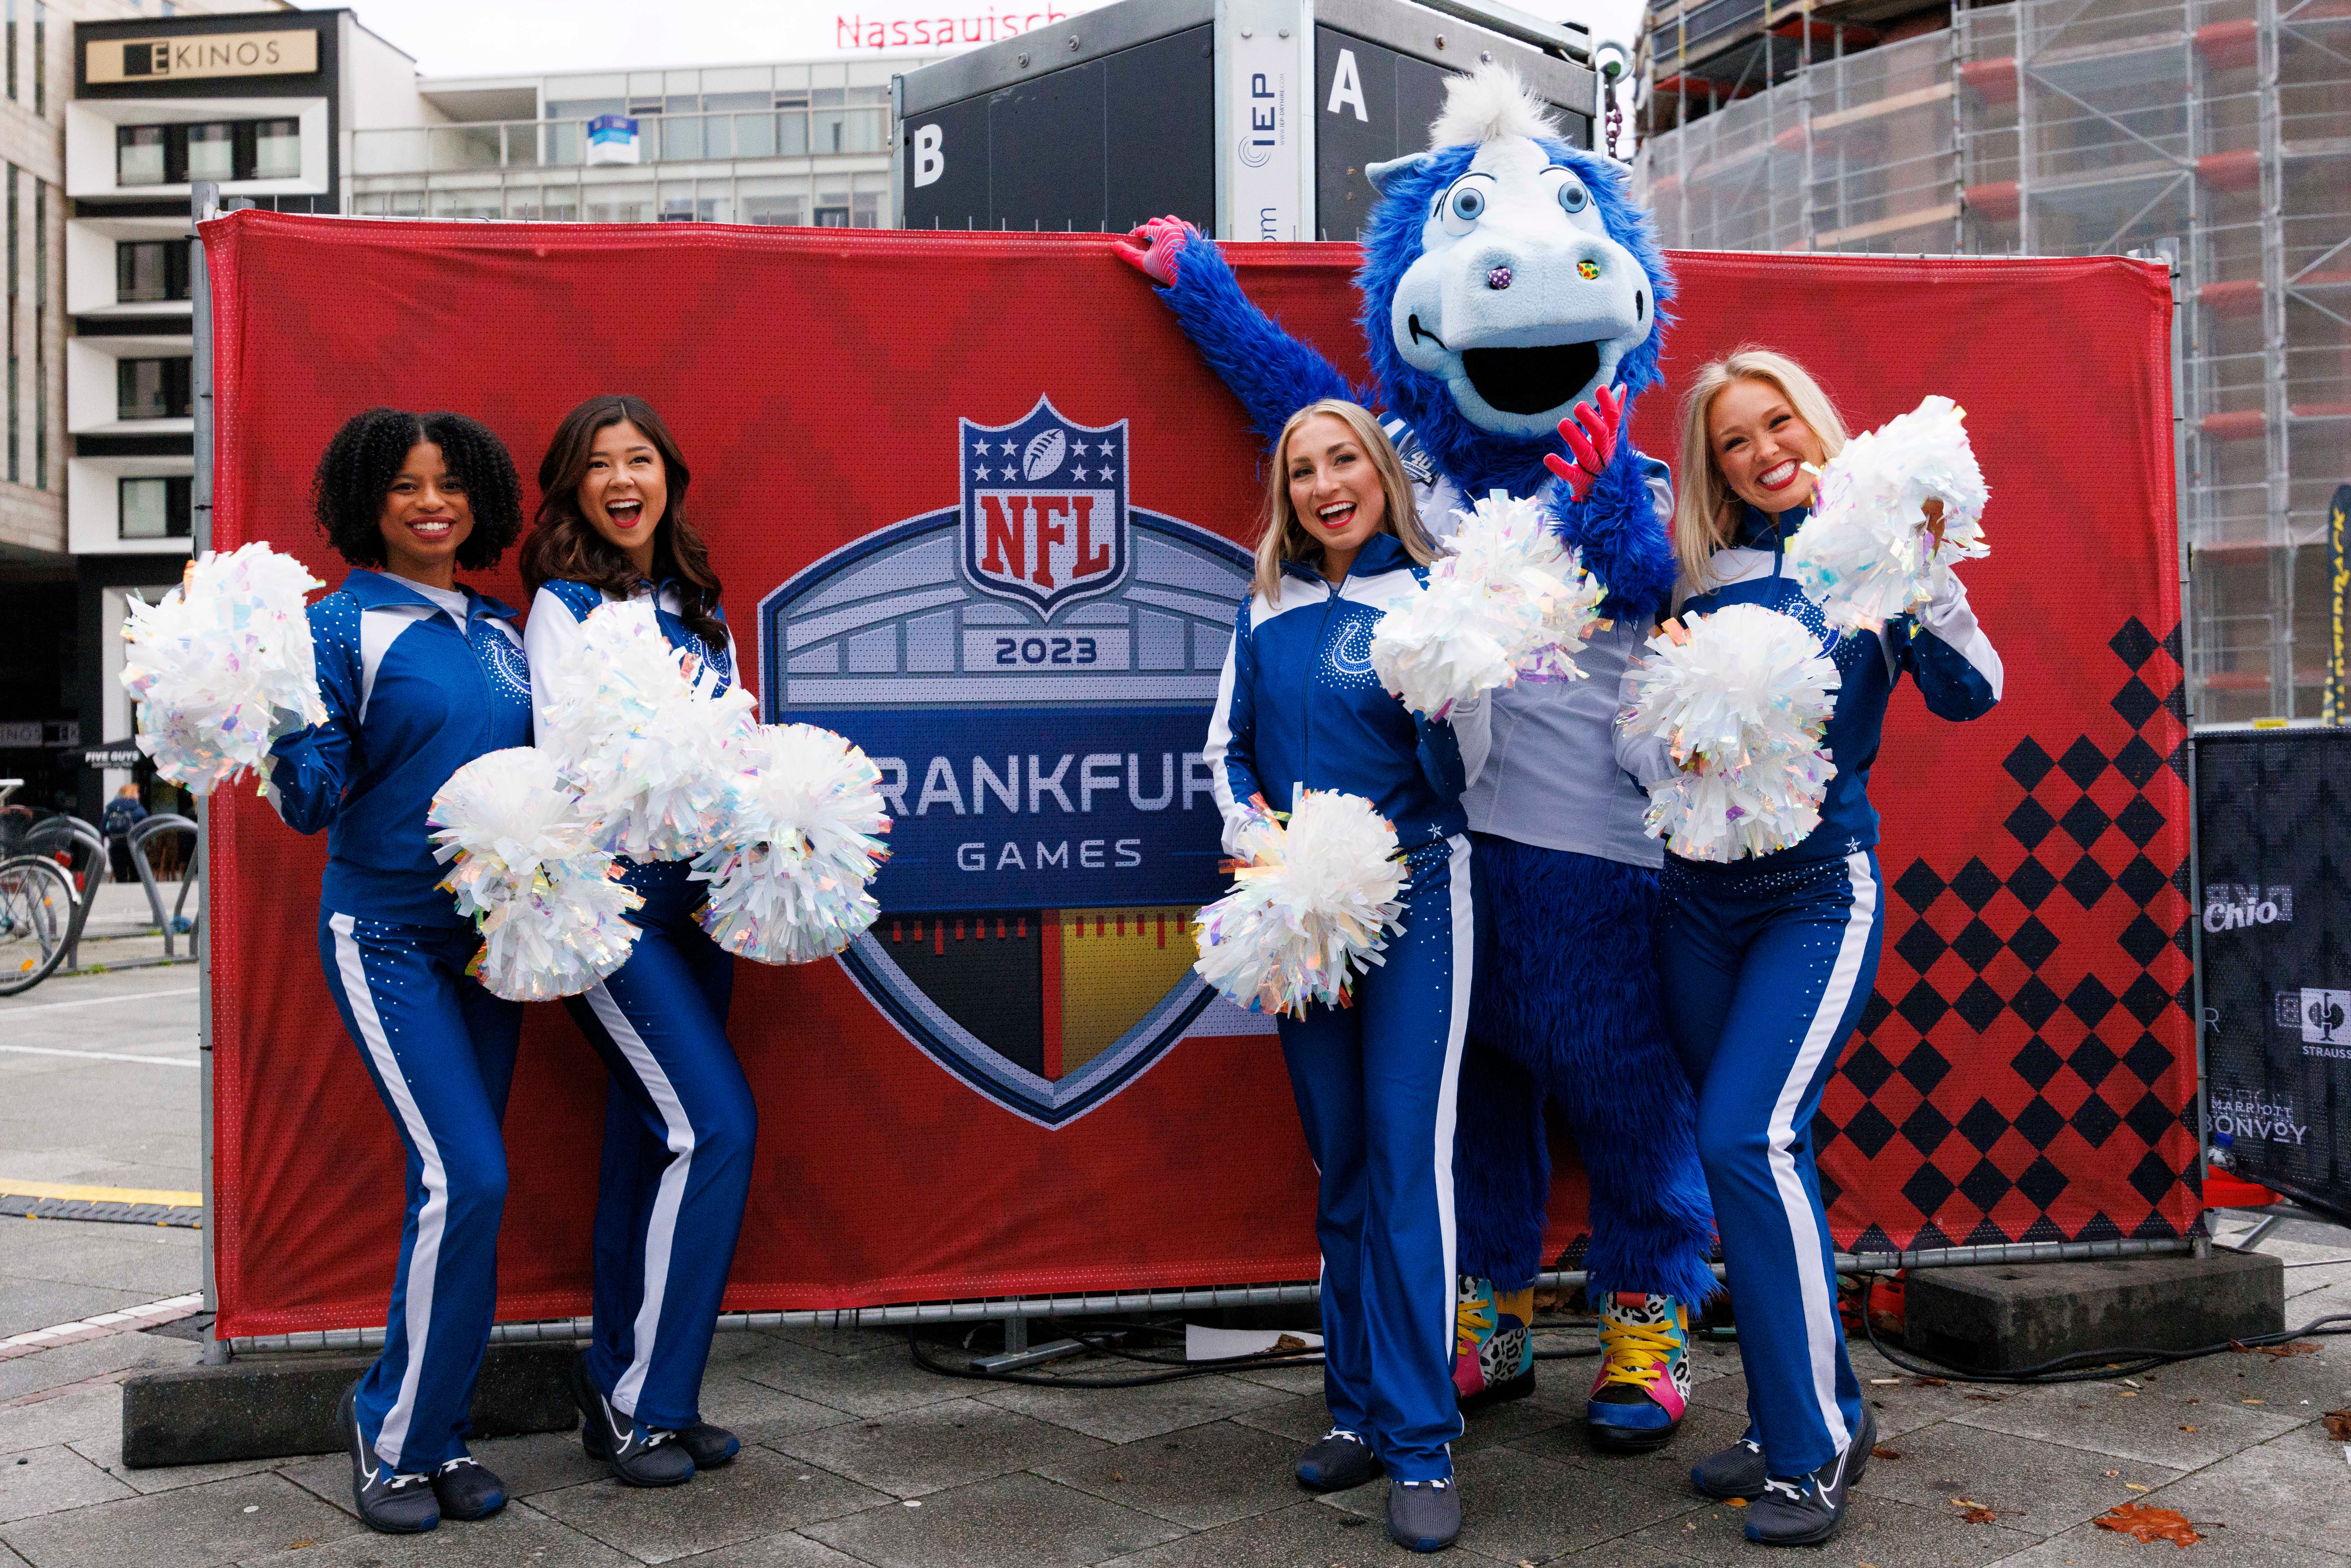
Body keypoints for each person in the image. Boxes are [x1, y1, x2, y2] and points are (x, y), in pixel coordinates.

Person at [1619, 349, 2002, 1547]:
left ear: (1812, 425)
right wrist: (1667, 756)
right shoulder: (1691, 576)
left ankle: (1807, 1457)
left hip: (1811, 899)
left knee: (1746, 1139)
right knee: (1750, 1161)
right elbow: (1636, 739)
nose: (1760, 452)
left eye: (1773, 423)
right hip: (1691, 904)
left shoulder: (1872, 561)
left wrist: (1927, 571)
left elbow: (1974, 690)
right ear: (1711, 465)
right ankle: (1816, 1406)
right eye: (1731, 441)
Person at [1203, 399, 1489, 1554]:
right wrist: (1246, 829)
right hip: (1298, 908)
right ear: (1285, 493)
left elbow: (1469, 769)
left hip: (1418, 895)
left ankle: (1422, 1444)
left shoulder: (1433, 602)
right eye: (1303, 469)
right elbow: (1222, 747)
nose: (1325, 485)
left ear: (1381, 475)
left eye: (1344, 463)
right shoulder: (1262, 606)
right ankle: (1360, 1413)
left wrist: (1435, 700)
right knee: (1341, 1161)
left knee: (1406, 1153)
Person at [264, 408, 531, 1535]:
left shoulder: (507, 629)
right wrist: (278, 707)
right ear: (368, 502)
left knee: (472, 1191)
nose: (434, 504)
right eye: (408, 486)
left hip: (499, 941)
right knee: (466, 1179)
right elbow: (310, 802)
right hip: (385, 937)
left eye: (451, 485)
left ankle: (438, 1432)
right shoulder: (336, 625)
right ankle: (390, 1437)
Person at [520, 393, 753, 1489]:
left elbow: (740, 746)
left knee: (647, 1142)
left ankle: (642, 1380)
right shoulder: (562, 607)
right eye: (599, 465)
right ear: (573, 489)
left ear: (670, 475)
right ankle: (639, 1406)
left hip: (704, 905)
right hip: (611, 908)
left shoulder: (704, 607)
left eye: (641, 459)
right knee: (715, 1127)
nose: (623, 479)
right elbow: (572, 762)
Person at [102, 784, 147, 882]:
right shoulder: (139, 810)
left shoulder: (111, 809)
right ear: (131, 794)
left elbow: (103, 830)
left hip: (116, 848)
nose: (139, 795)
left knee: (120, 878)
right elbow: (146, 830)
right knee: (136, 879)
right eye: (137, 793)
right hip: (135, 848)